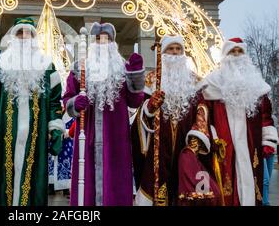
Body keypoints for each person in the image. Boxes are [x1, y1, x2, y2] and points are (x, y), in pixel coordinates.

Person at [0, 17, 64, 206]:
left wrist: (55, 128)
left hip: (37, 137)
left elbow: (54, 103)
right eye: (20, 33)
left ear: (34, 38)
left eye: (28, 33)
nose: (24, 37)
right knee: (4, 181)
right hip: (6, 136)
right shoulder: (0, 66)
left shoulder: (47, 67)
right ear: (13, 37)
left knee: (33, 184)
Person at [63, 22, 145, 206]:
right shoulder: (79, 69)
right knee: (86, 186)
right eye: (98, 39)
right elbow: (67, 98)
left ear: (113, 43)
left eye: (106, 39)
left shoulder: (123, 69)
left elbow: (135, 101)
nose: (102, 43)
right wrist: (75, 103)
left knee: (115, 184)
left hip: (116, 140)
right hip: (87, 137)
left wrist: (137, 76)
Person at [132, 35, 211, 206]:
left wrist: (195, 143)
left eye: (178, 49)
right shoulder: (151, 80)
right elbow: (139, 116)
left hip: (186, 145)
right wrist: (150, 107)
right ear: (163, 53)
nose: (175, 53)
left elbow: (202, 112)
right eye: (170, 49)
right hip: (158, 146)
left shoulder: (195, 81)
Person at [199, 37, 278, 206]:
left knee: (254, 185)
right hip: (222, 147)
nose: (236, 55)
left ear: (245, 55)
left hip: (251, 146)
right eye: (232, 52)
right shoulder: (211, 84)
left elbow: (266, 116)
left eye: (239, 51)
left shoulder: (257, 85)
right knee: (225, 188)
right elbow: (204, 115)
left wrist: (268, 141)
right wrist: (211, 138)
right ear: (225, 56)